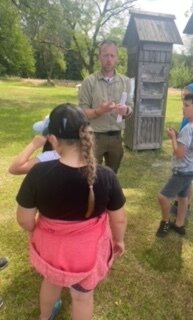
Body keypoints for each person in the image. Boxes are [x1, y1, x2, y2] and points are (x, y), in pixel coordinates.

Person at [15, 103, 127, 320]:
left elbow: (25, 219)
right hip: (87, 254)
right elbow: (119, 219)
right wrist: (119, 241)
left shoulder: (38, 173)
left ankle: (44, 317)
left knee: (51, 281)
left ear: (53, 140)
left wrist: (34, 230)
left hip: (51, 251)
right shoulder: (106, 175)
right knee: (82, 298)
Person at [156, 92, 193, 237]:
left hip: (182, 170)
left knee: (163, 197)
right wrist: (178, 137)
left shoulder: (188, 129)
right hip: (191, 168)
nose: (183, 109)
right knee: (183, 197)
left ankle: (165, 223)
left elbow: (179, 153)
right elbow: (190, 146)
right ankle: (179, 224)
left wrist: (173, 138)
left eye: (186, 106)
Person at [79, 39, 133, 173]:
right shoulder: (89, 82)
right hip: (94, 137)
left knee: (111, 176)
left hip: (116, 138)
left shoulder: (126, 82)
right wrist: (99, 111)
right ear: (99, 57)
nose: (109, 59)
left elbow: (130, 107)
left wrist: (126, 110)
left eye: (112, 55)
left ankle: (106, 194)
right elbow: (82, 113)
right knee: (91, 175)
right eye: (105, 55)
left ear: (117, 58)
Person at [170, 83, 193, 217]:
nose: (184, 97)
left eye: (188, 95)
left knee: (187, 183)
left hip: (186, 161)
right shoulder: (191, 117)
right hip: (189, 157)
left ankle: (187, 204)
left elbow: (192, 140)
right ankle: (181, 203)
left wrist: (174, 138)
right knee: (186, 184)